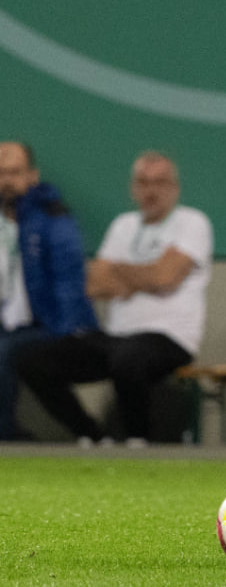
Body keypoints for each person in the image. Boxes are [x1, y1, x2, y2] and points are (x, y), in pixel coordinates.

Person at [16, 151, 212, 445]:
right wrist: (145, 276)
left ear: (174, 188)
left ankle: (137, 440)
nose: (151, 191)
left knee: (129, 357)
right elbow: (95, 283)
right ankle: (91, 435)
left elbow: (165, 277)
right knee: (31, 358)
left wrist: (122, 274)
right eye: (144, 183)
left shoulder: (192, 222)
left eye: (159, 183)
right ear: (133, 189)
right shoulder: (124, 225)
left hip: (170, 337)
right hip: (115, 337)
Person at [0, 141, 98, 441]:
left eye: (14, 172)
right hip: (5, 325)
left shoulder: (53, 218)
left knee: (3, 352)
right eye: (1, 173)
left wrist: (64, 329)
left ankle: (5, 436)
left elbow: (69, 282)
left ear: (32, 175)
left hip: (47, 324)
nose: (7, 182)